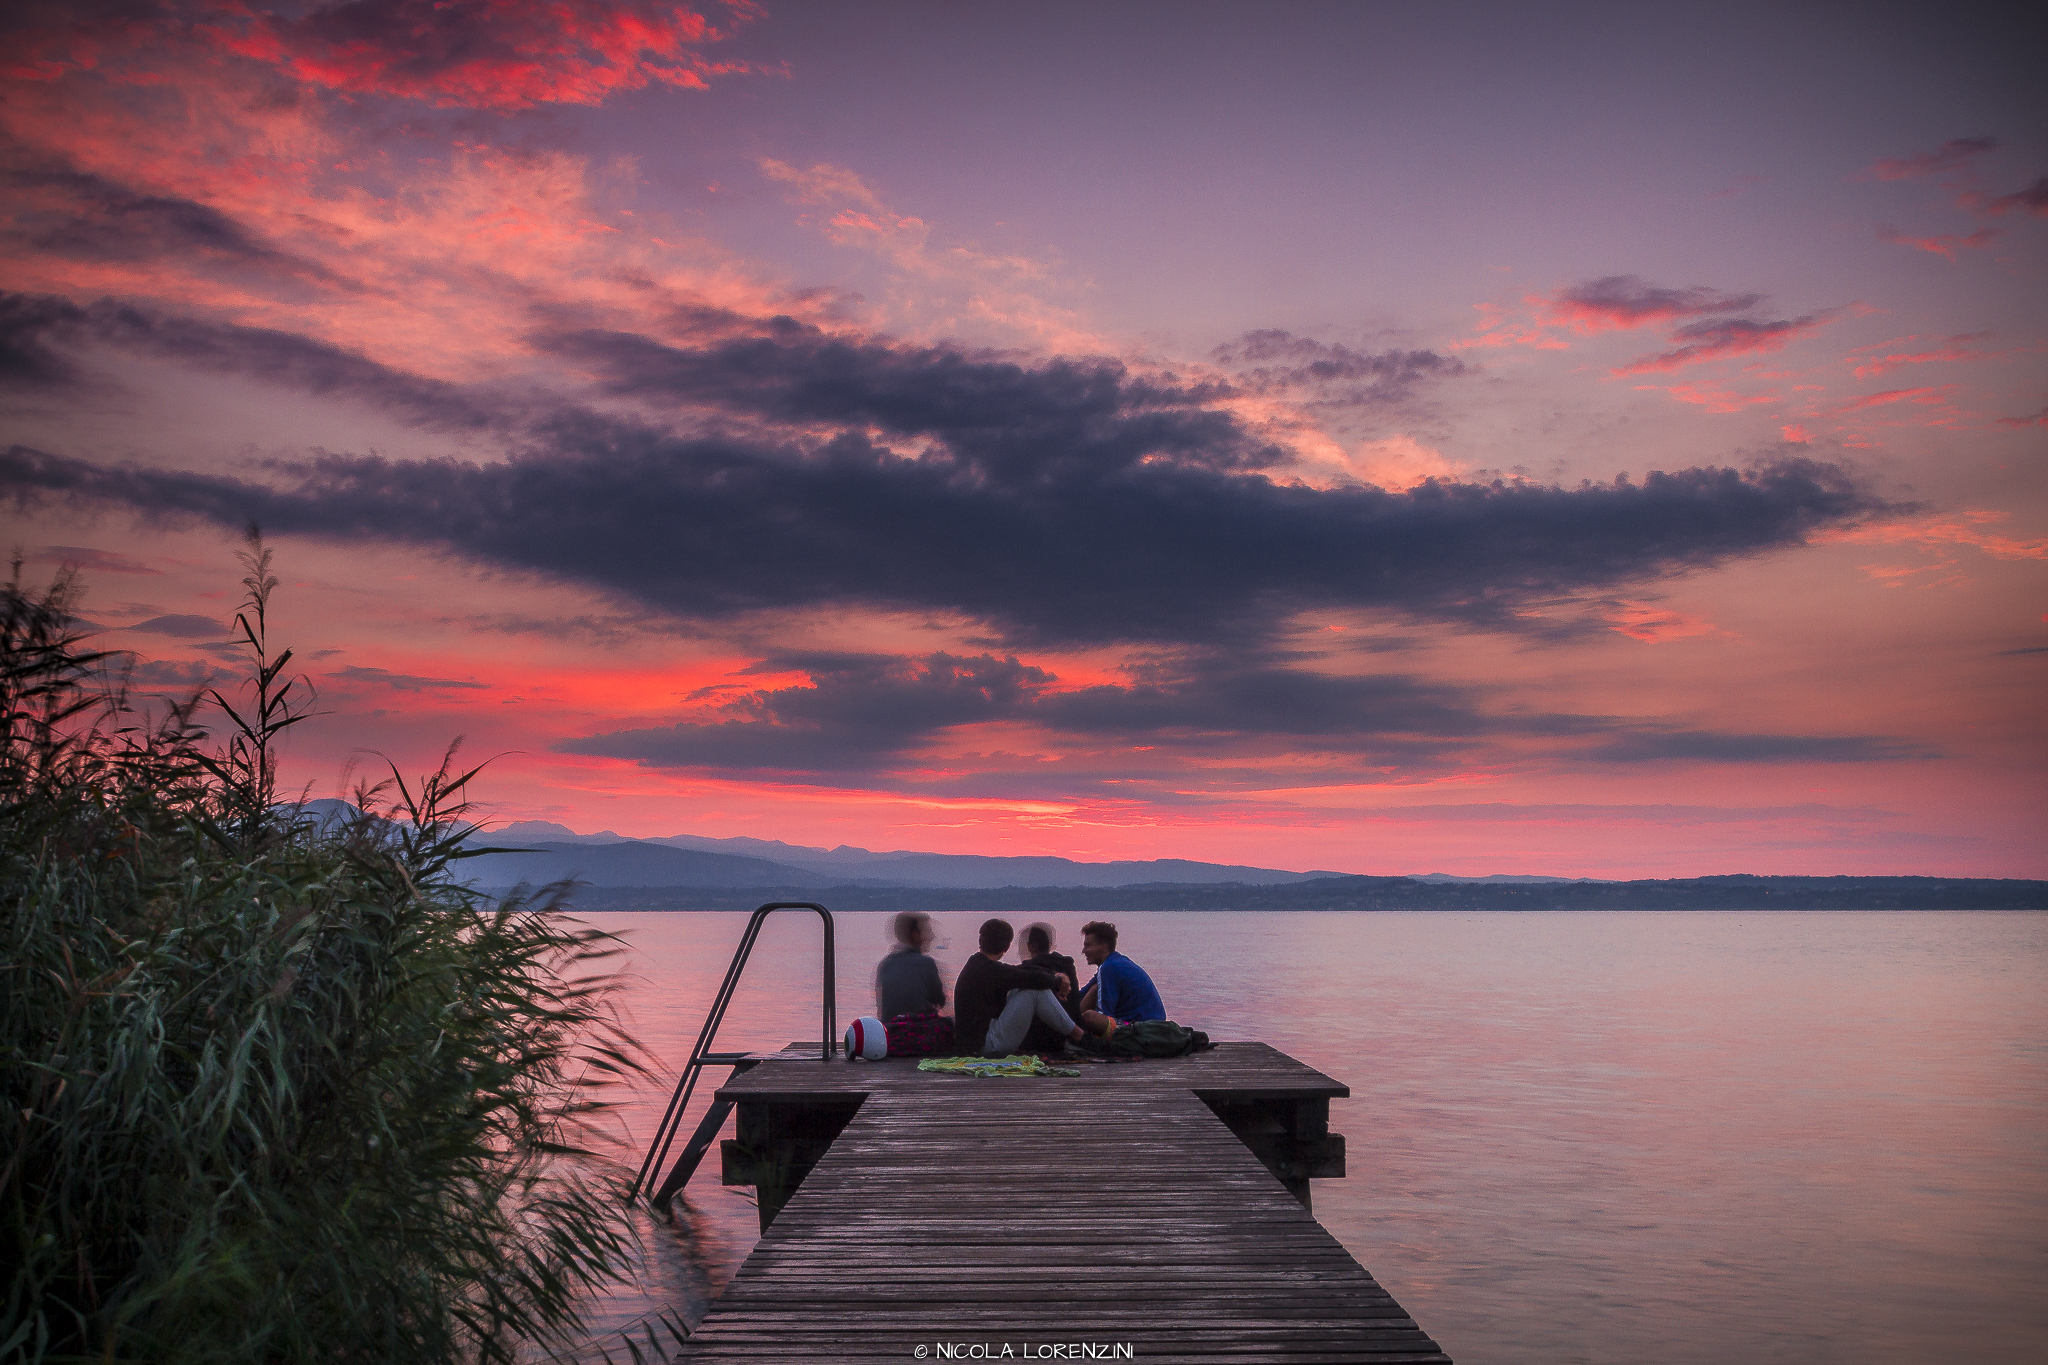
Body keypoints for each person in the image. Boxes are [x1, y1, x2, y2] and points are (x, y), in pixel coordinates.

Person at [953, 918, 1086, 1056]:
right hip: (984, 1047)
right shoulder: (988, 969)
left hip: (977, 1043)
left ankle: (1077, 1037)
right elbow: (1028, 977)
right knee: (1034, 991)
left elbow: (1020, 973)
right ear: (1006, 947)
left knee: (1022, 986)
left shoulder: (978, 965)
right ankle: (1080, 1037)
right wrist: (1056, 981)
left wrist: (1055, 977)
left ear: (980, 941)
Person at [1073, 920, 1165, 1035]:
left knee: (1090, 1017)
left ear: (1103, 946)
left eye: (1088, 946)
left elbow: (1103, 1014)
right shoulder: (1114, 963)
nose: (1083, 951)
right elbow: (1079, 997)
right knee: (1093, 990)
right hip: (1150, 1026)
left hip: (1143, 1029)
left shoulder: (1109, 967)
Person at [1016, 921, 1082, 1053]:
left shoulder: (1028, 969)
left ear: (1031, 946)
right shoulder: (1068, 965)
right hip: (1069, 1031)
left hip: (1041, 1038)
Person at [875, 911, 945, 1021]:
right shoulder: (926, 964)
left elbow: (882, 1009)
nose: (931, 936)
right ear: (914, 934)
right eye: (927, 931)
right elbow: (940, 1001)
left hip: (890, 1029)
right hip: (918, 1029)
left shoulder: (885, 965)